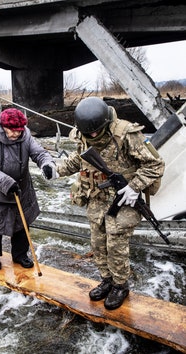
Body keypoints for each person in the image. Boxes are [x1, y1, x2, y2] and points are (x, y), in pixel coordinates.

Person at [56, 97, 165, 310]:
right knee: (98, 243)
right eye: (90, 133)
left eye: (98, 131)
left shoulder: (126, 134)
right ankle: (106, 280)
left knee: (116, 245)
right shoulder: (83, 134)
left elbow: (155, 165)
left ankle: (120, 285)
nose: (94, 136)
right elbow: (79, 159)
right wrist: (57, 170)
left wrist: (135, 186)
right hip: (96, 197)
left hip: (124, 198)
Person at [0, 108, 57, 271]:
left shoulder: (26, 135)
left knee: (21, 224)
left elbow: (39, 153)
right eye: (12, 131)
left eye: (19, 131)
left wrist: (47, 164)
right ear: (3, 126)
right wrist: (6, 182)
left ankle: (20, 255)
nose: (16, 134)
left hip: (20, 187)